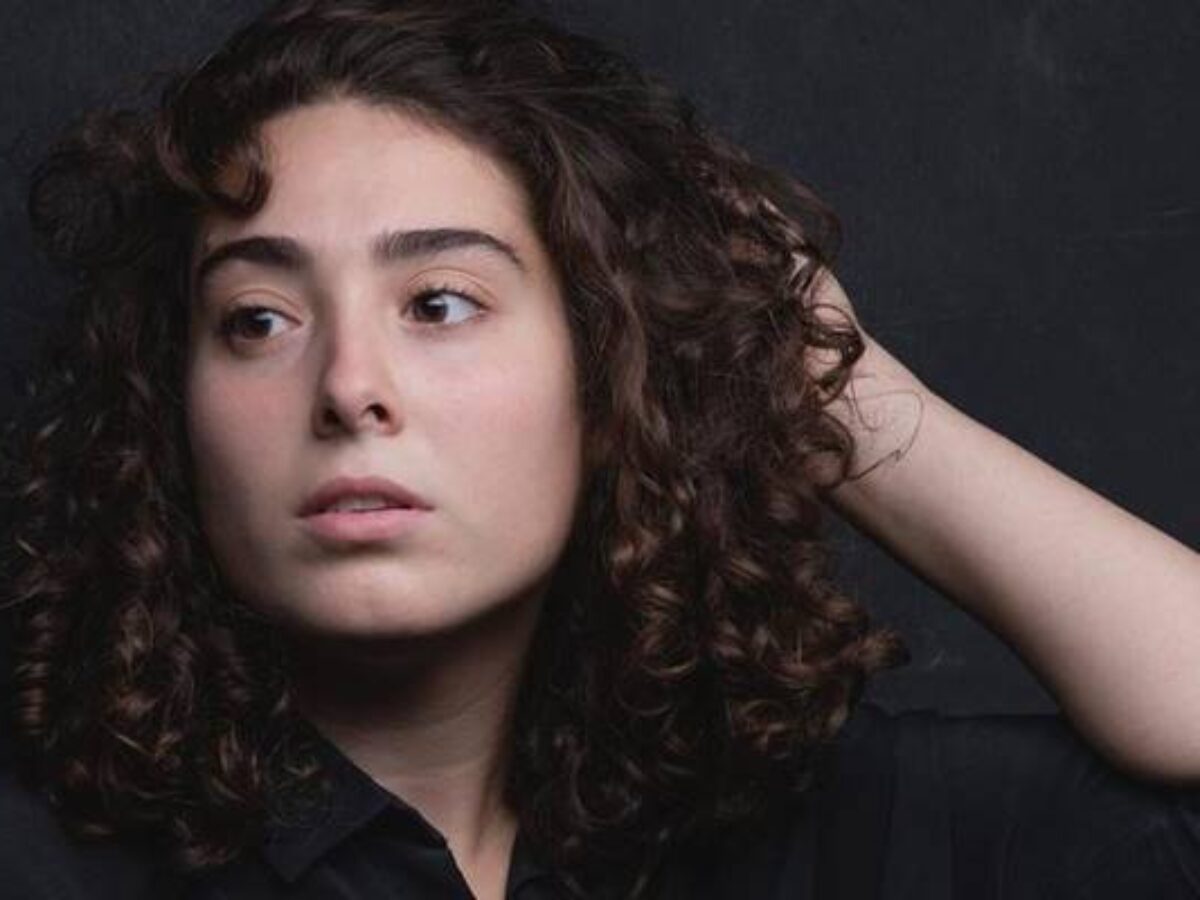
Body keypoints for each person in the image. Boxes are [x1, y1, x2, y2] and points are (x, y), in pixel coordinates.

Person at [0, 1, 1197, 898]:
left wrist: (832, 391)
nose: (351, 389)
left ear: (606, 369)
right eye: (259, 321)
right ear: (172, 401)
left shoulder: (819, 835)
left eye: (439, 303)